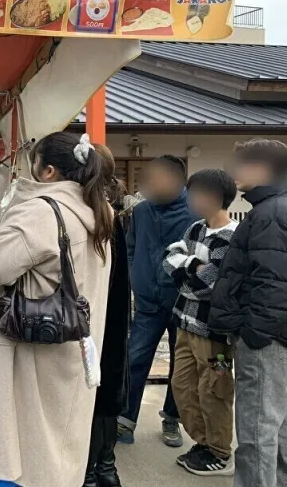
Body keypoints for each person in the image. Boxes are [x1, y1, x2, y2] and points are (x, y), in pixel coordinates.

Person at [0, 132, 113, 487]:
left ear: (47, 171)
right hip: (75, 346)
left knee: (37, 453)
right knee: (63, 448)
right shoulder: (97, 211)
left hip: (36, 349)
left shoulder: (40, 213)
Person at [208, 139, 287, 487]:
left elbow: (274, 281)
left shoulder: (270, 212)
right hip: (276, 336)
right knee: (278, 429)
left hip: (266, 340)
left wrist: (254, 332)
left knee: (257, 430)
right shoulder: (274, 208)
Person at [118, 155, 198, 447]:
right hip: (147, 301)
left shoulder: (195, 212)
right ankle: (125, 420)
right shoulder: (140, 212)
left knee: (181, 365)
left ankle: (171, 419)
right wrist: (134, 276)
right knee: (135, 357)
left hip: (183, 302)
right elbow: (131, 247)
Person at [163, 169, 238, 477]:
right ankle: (203, 443)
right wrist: (191, 266)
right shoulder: (195, 229)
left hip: (212, 331)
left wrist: (186, 267)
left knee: (214, 390)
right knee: (182, 387)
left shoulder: (232, 237)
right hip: (183, 321)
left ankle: (220, 452)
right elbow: (169, 260)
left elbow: (210, 286)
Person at [83, 144, 131, 487]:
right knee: (107, 385)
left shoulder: (82, 213)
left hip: (86, 319)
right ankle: (105, 467)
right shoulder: (111, 212)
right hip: (113, 317)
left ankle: (89, 471)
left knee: (88, 391)